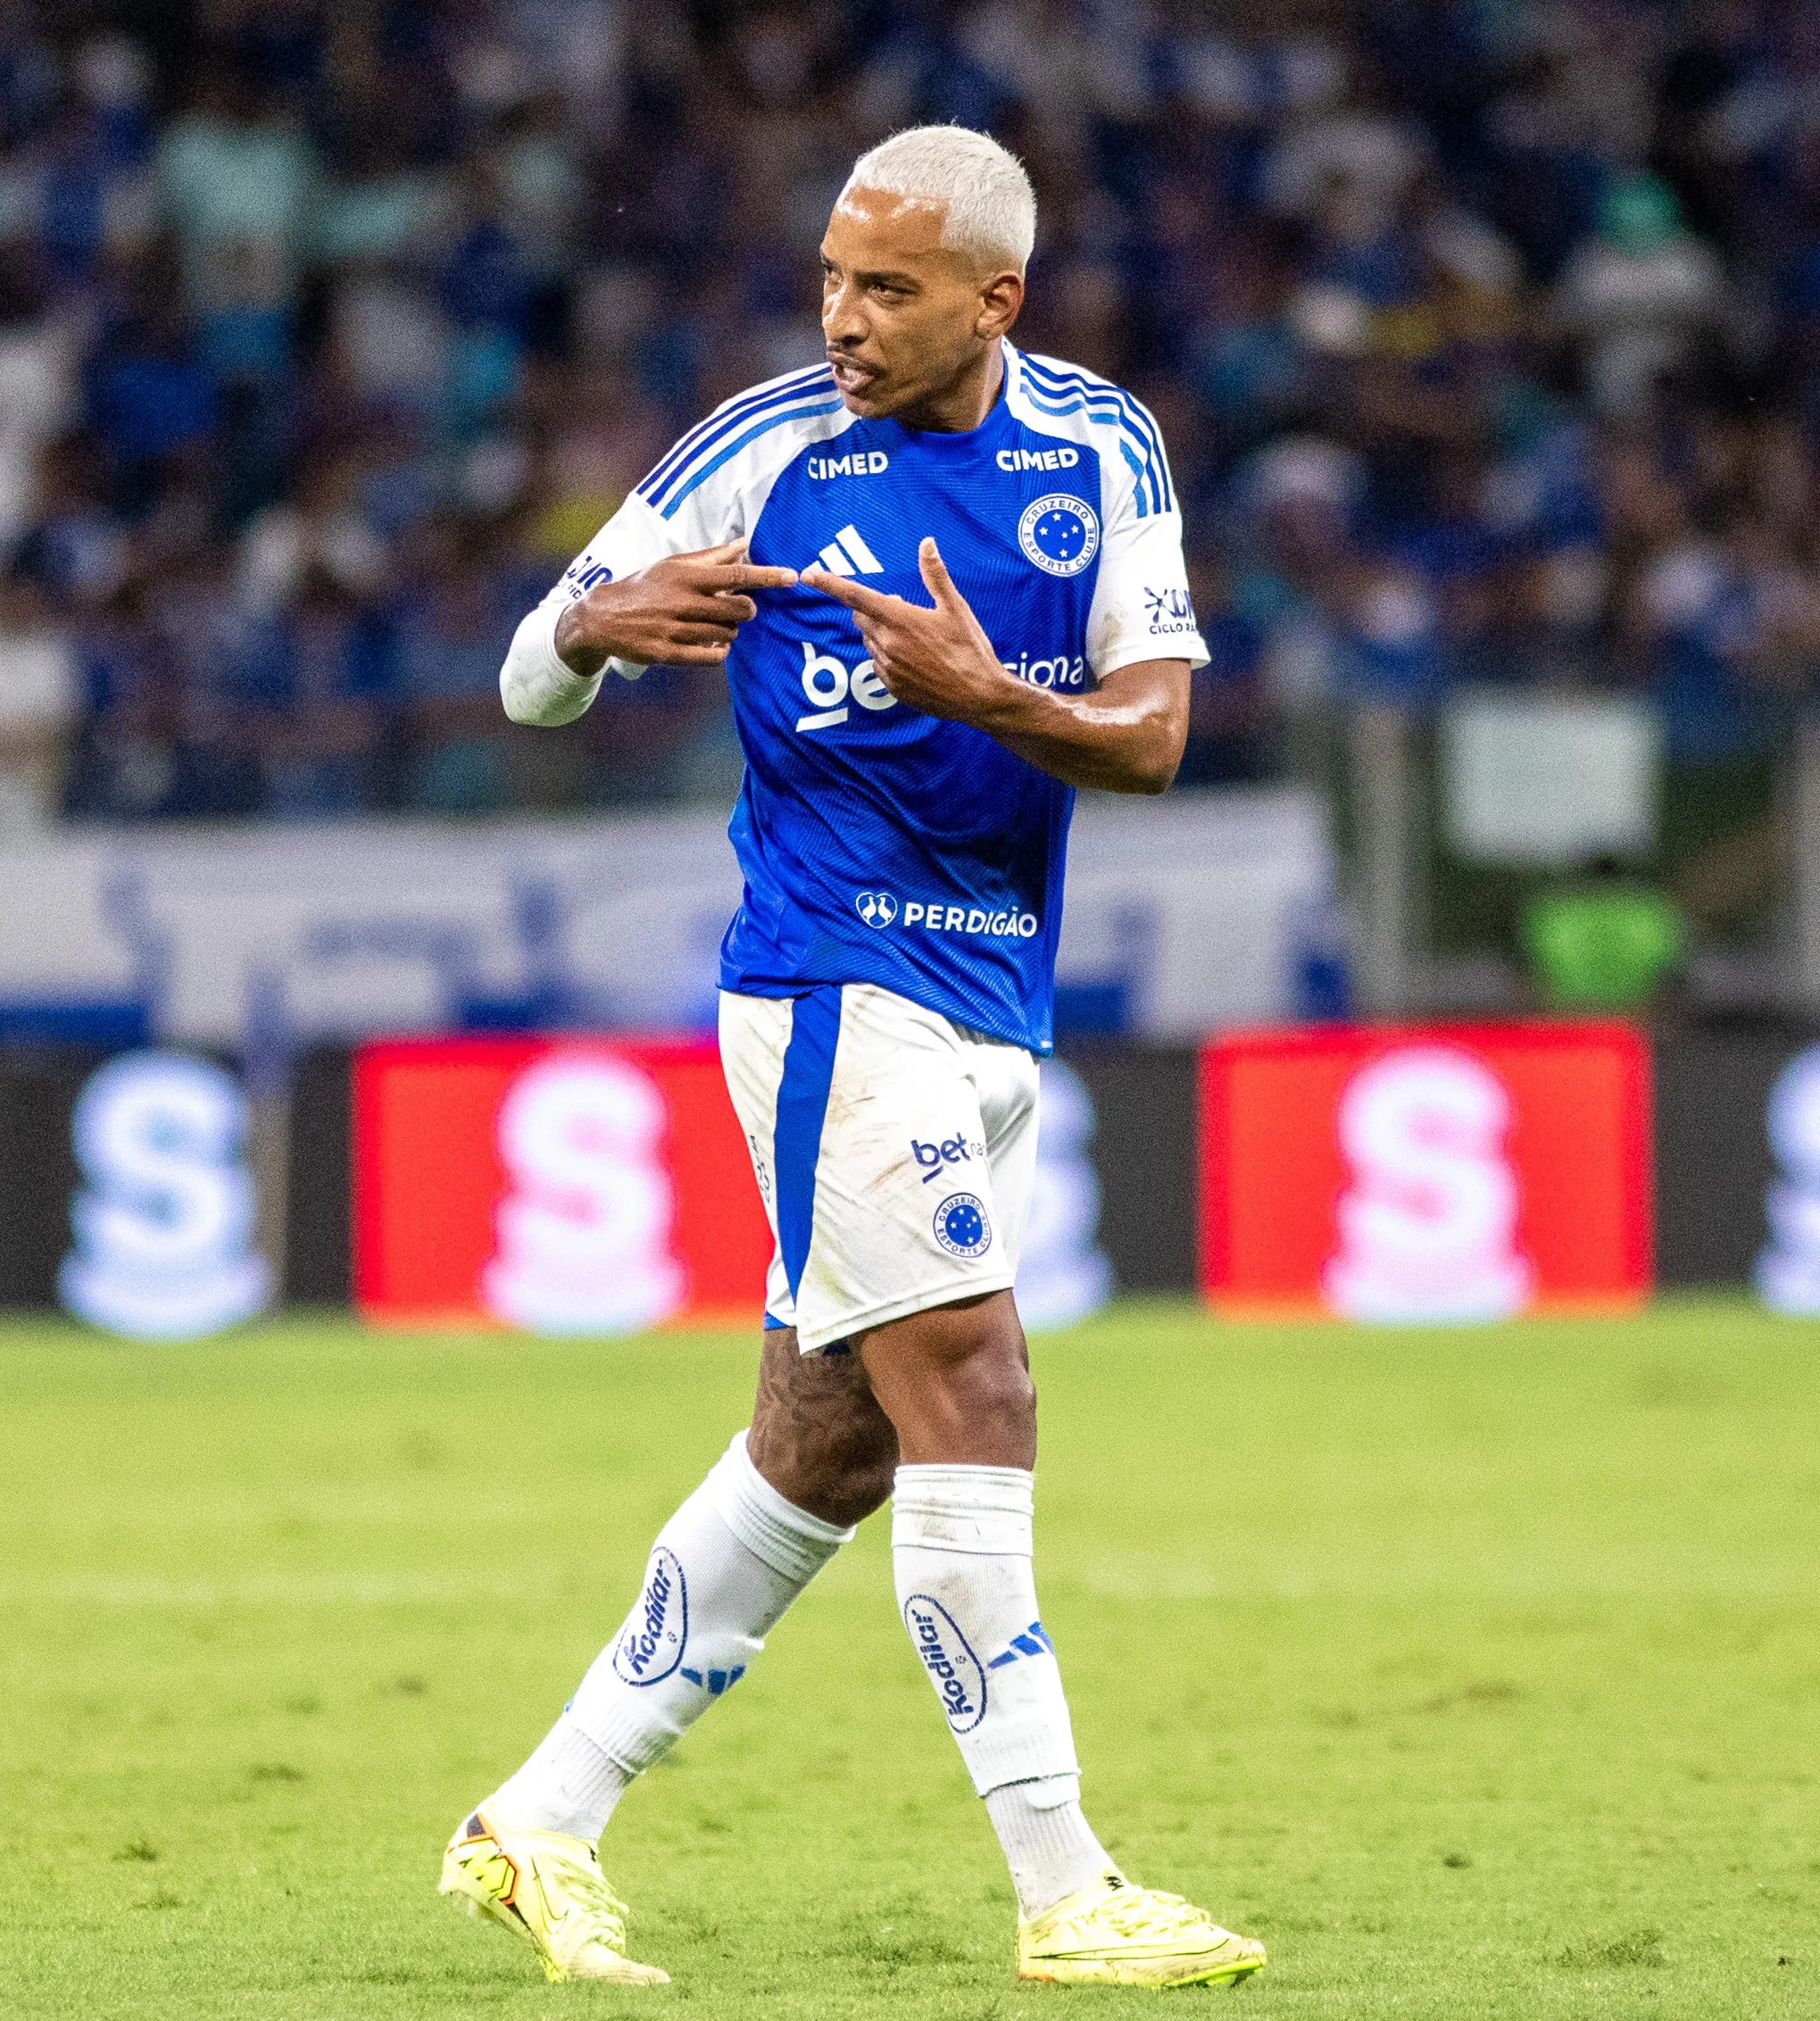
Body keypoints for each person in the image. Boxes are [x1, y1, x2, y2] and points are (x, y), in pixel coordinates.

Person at [447, 127, 1263, 1992]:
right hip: (828, 988)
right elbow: (523, 672)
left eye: (887, 289)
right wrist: (589, 626)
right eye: (830, 277)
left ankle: (534, 1822)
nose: (843, 319)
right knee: (977, 1388)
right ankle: (1068, 1890)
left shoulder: (1104, 448)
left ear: (999, 299)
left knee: (824, 1446)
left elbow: (1146, 742)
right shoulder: (758, 449)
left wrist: (990, 697)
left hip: (990, 999)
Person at [1521, 854, 1687, 1013]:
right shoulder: (1652, 911)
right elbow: (1670, 971)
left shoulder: (1553, 913)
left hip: (1570, 1018)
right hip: (1634, 1019)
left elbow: (1535, 972)